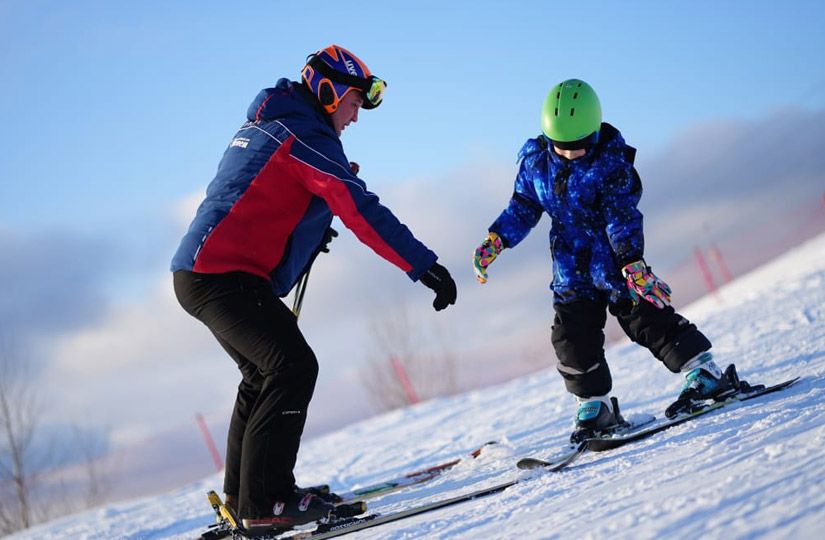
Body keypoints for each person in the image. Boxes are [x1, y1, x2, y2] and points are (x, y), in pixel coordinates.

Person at [171, 45, 456, 531]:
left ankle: (247, 500)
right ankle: (268, 502)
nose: (355, 118)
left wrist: (312, 220)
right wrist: (423, 264)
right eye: (352, 105)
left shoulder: (277, 123)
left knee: (262, 376)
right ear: (328, 93)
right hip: (222, 275)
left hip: (205, 273)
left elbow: (271, 197)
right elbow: (360, 208)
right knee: (293, 366)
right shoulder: (303, 135)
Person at [472, 79, 735, 442]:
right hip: (570, 268)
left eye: (580, 146)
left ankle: (705, 373)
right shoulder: (536, 164)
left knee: (647, 318)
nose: (571, 154)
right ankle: (596, 405)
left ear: (595, 132)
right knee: (571, 336)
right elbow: (523, 206)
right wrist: (497, 239)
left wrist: (632, 262)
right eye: (562, 147)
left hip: (614, 263)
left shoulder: (611, 163)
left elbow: (621, 215)